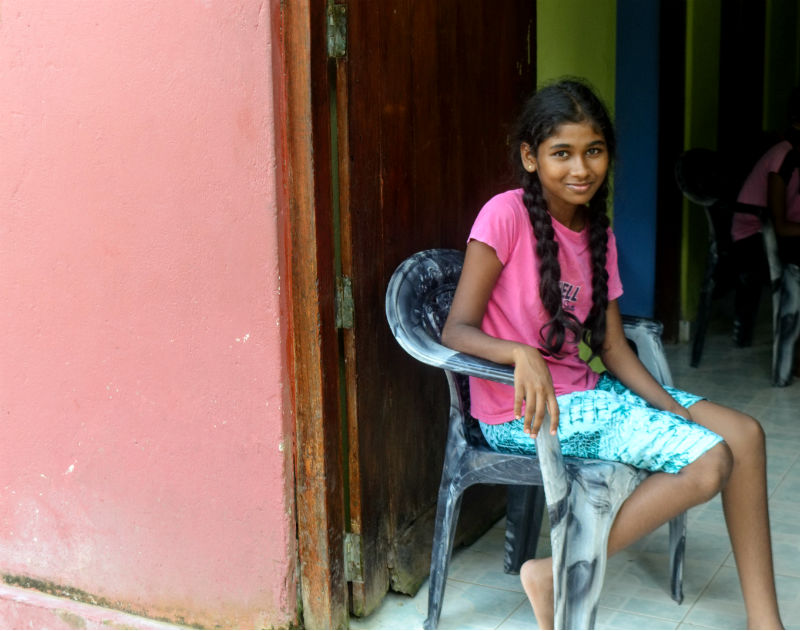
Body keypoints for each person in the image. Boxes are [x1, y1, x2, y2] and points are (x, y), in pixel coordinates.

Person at [441, 79, 784, 630]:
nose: (581, 168)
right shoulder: (504, 215)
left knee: (745, 434)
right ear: (530, 158)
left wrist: (670, 408)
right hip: (521, 414)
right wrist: (520, 354)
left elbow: (614, 349)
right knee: (709, 459)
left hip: (588, 396)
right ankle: (555, 573)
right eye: (562, 154)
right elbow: (455, 329)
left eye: (593, 151)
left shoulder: (599, 235)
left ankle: (764, 622)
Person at [731, 88, 800, 383]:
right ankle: (789, 361)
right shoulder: (784, 156)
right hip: (753, 240)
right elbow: (781, 225)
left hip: (782, 237)